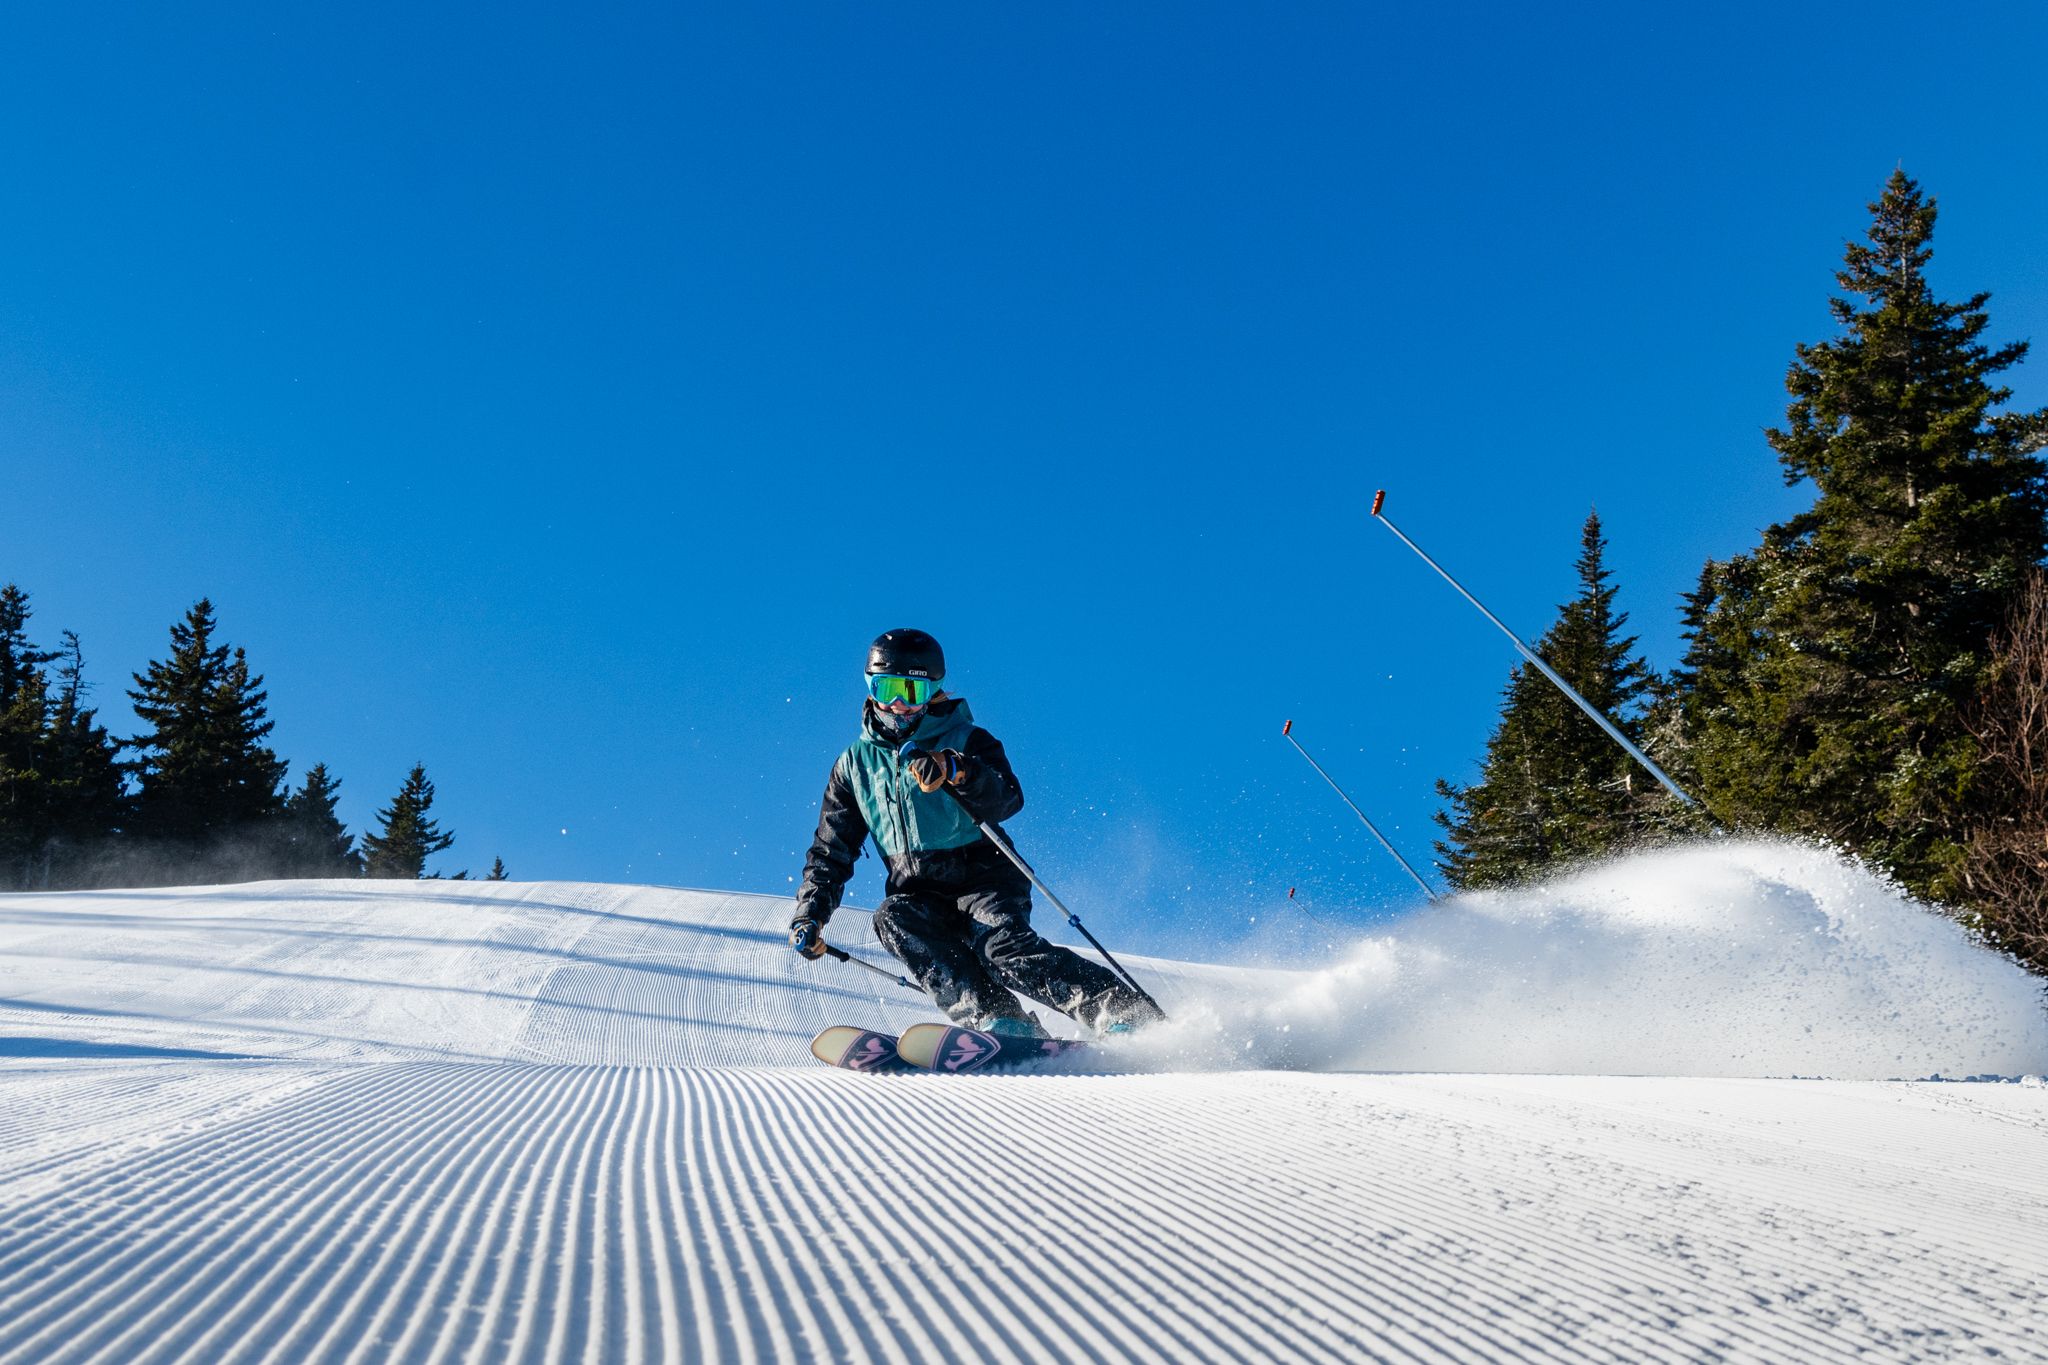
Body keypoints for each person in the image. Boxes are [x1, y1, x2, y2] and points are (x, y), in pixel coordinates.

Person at [789, 628, 1162, 1038]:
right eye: (887, 687)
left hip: (985, 875)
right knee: (893, 919)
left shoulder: (968, 739)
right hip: (918, 891)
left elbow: (1008, 797)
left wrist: (957, 769)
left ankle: (1120, 1011)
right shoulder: (854, 766)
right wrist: (811, 913)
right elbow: (831, 850)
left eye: (911, 691)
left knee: (1001, 951)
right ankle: (999, 1019)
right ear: (869, 686)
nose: (897, 704)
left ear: (933, 692)